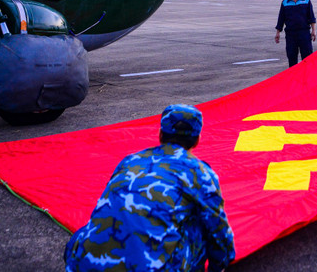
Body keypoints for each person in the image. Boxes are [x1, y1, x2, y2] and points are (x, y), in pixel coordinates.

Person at [64, 105, 235, 271]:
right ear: (197, 139)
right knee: (201, 227)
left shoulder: (130, 160)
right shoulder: (199, 172)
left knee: (91, 228)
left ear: (161, 134)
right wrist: (219, 265)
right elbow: (218, 229)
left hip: (85, 264)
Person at [275, 0, 316, 67]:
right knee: (292, 58)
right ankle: (294, 80)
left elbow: (311, 17)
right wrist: (278, 33)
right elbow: (281, 19)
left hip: (304, 33)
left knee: (307, 58)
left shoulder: (306, 0)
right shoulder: (285, 2)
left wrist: (313, 30)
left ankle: (307, 78)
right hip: (291, 35)